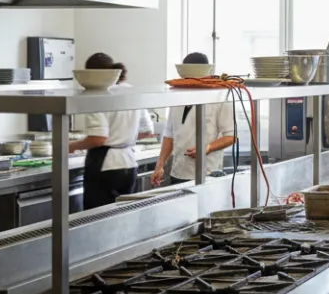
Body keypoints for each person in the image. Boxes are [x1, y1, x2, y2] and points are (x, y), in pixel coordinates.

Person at [69, 53, 155, 209]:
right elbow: (147, 132)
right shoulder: (131, 91)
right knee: (121, 218)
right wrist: (123, 136)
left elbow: (98, 139)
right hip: (128, 163)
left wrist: (71, 145)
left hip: (105, 165)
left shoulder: (97, 93)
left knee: (97, 219)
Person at [151, 52, 236, 187]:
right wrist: (159, 165)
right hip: (178, 173)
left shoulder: (220, 98)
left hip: (208, 173)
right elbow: (169, 135)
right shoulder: (177, 97)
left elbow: (231, 136)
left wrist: (207, 148)